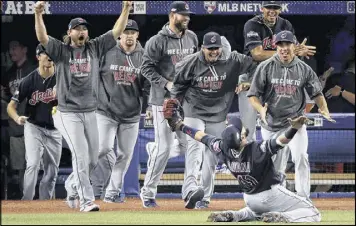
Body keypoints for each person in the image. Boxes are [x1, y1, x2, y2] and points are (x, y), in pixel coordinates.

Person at [33, 0, 132, 212]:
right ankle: (86, 201)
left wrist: (125, 9)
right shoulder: (60, 50)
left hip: (90, 112)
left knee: (94, 157)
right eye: (77, 29)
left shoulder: (94, 47)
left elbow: (116, 31)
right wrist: (38, 14)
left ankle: (72, 185)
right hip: (68, 113)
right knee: (80, 155)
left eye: (84, 29)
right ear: (69, 33)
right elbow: (42, 38)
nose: (82, 32)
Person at [161, 98, 321, 223]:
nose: (243, 129)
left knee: (255, 213)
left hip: (250, 199)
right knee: (313, 212)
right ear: (242, 138)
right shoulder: (257, 150)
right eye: (241, 130)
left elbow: (201, 136)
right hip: (271, 194)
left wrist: (181, 126)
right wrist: (294, 128)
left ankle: (236, 215)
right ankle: (285, 218)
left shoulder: (223, 148)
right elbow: (281, 141)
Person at [170, 32, 257, 209]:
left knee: (213, 155)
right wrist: (174, 108)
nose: (214, 52)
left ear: (221, 48)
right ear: (203, 48)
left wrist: (247, 81)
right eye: (210, 49)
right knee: (195, 147)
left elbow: (255, 66)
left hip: (218, 114)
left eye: (216, 48)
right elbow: (177, 87)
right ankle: (190, 190)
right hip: (194, 110)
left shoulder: (233, 59)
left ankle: (205, 197)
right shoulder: (191, 62)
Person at [247, 30, 335, 199]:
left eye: (288, 44)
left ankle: (303, 198)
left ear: (294, 46)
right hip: (271, 124)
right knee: (275, 165)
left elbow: (317, 93)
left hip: (295, 123)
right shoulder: (265, 66)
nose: (284, 48)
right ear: (276, 46)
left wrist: (323, 108)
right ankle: (277, 199)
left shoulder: (304, 69)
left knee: (301, 157)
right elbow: (252, 95)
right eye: (280, 45)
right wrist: (260, 109)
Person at [139, 1, 198, 208]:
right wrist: (167, 83)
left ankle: (189, 191)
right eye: (183, 15)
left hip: (186, 101)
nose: (187, 18)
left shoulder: (192, 37)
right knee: (164, 148)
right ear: (172, 15)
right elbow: (145, 68)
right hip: (162, 101)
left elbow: (195, 65)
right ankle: (148, 192)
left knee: (187, 145)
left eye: (188, 15)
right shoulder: (157, 41)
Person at [90, 19, 149, 202]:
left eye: (132, 32)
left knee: (125, 155)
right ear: (119, 34)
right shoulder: (107, 51)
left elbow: (147, 86)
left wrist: (148, 107)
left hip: (130, 115)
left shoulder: (144, 56)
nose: (129, 36)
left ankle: (112, 192)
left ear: (137, 35)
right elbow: (93, 76)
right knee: (102, 148)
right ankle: (76, 180)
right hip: (106, 111)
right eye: (126, 32)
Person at [240, 1, 317, 141]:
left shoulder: (285, 24)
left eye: (275, 8)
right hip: (251, 75)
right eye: (269, 7)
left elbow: (293, 49)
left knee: (284, 114)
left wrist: (298, 50)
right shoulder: (252, 25)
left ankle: (285, 155)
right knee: (248, 124)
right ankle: (247, 157)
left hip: (276, 74)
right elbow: (257, 54)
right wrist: (290, 51)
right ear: (262, 8)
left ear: (280, 9)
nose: (272, 11)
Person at [7, 44, 61, 200]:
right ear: (38, 57)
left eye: (52, 55)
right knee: (33, 164)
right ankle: (27, 203)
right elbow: (11, 106)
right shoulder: (29, 80)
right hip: (34, 127)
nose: (50, 58)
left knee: (52, 170)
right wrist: (17, 117)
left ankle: (45, 205)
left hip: (55, 129)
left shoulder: (62, 78)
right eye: (46, 54)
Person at [1, 39, 37, 199]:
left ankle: (38, 201)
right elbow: (7, 99)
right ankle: (25, 201)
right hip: (16, 128)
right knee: (21, 167)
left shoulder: (34, 70)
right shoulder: (9, 74)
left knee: (33, 165)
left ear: (25, 49)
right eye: (10, 49)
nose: (11, 51)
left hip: (34, 125)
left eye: (15, 48)